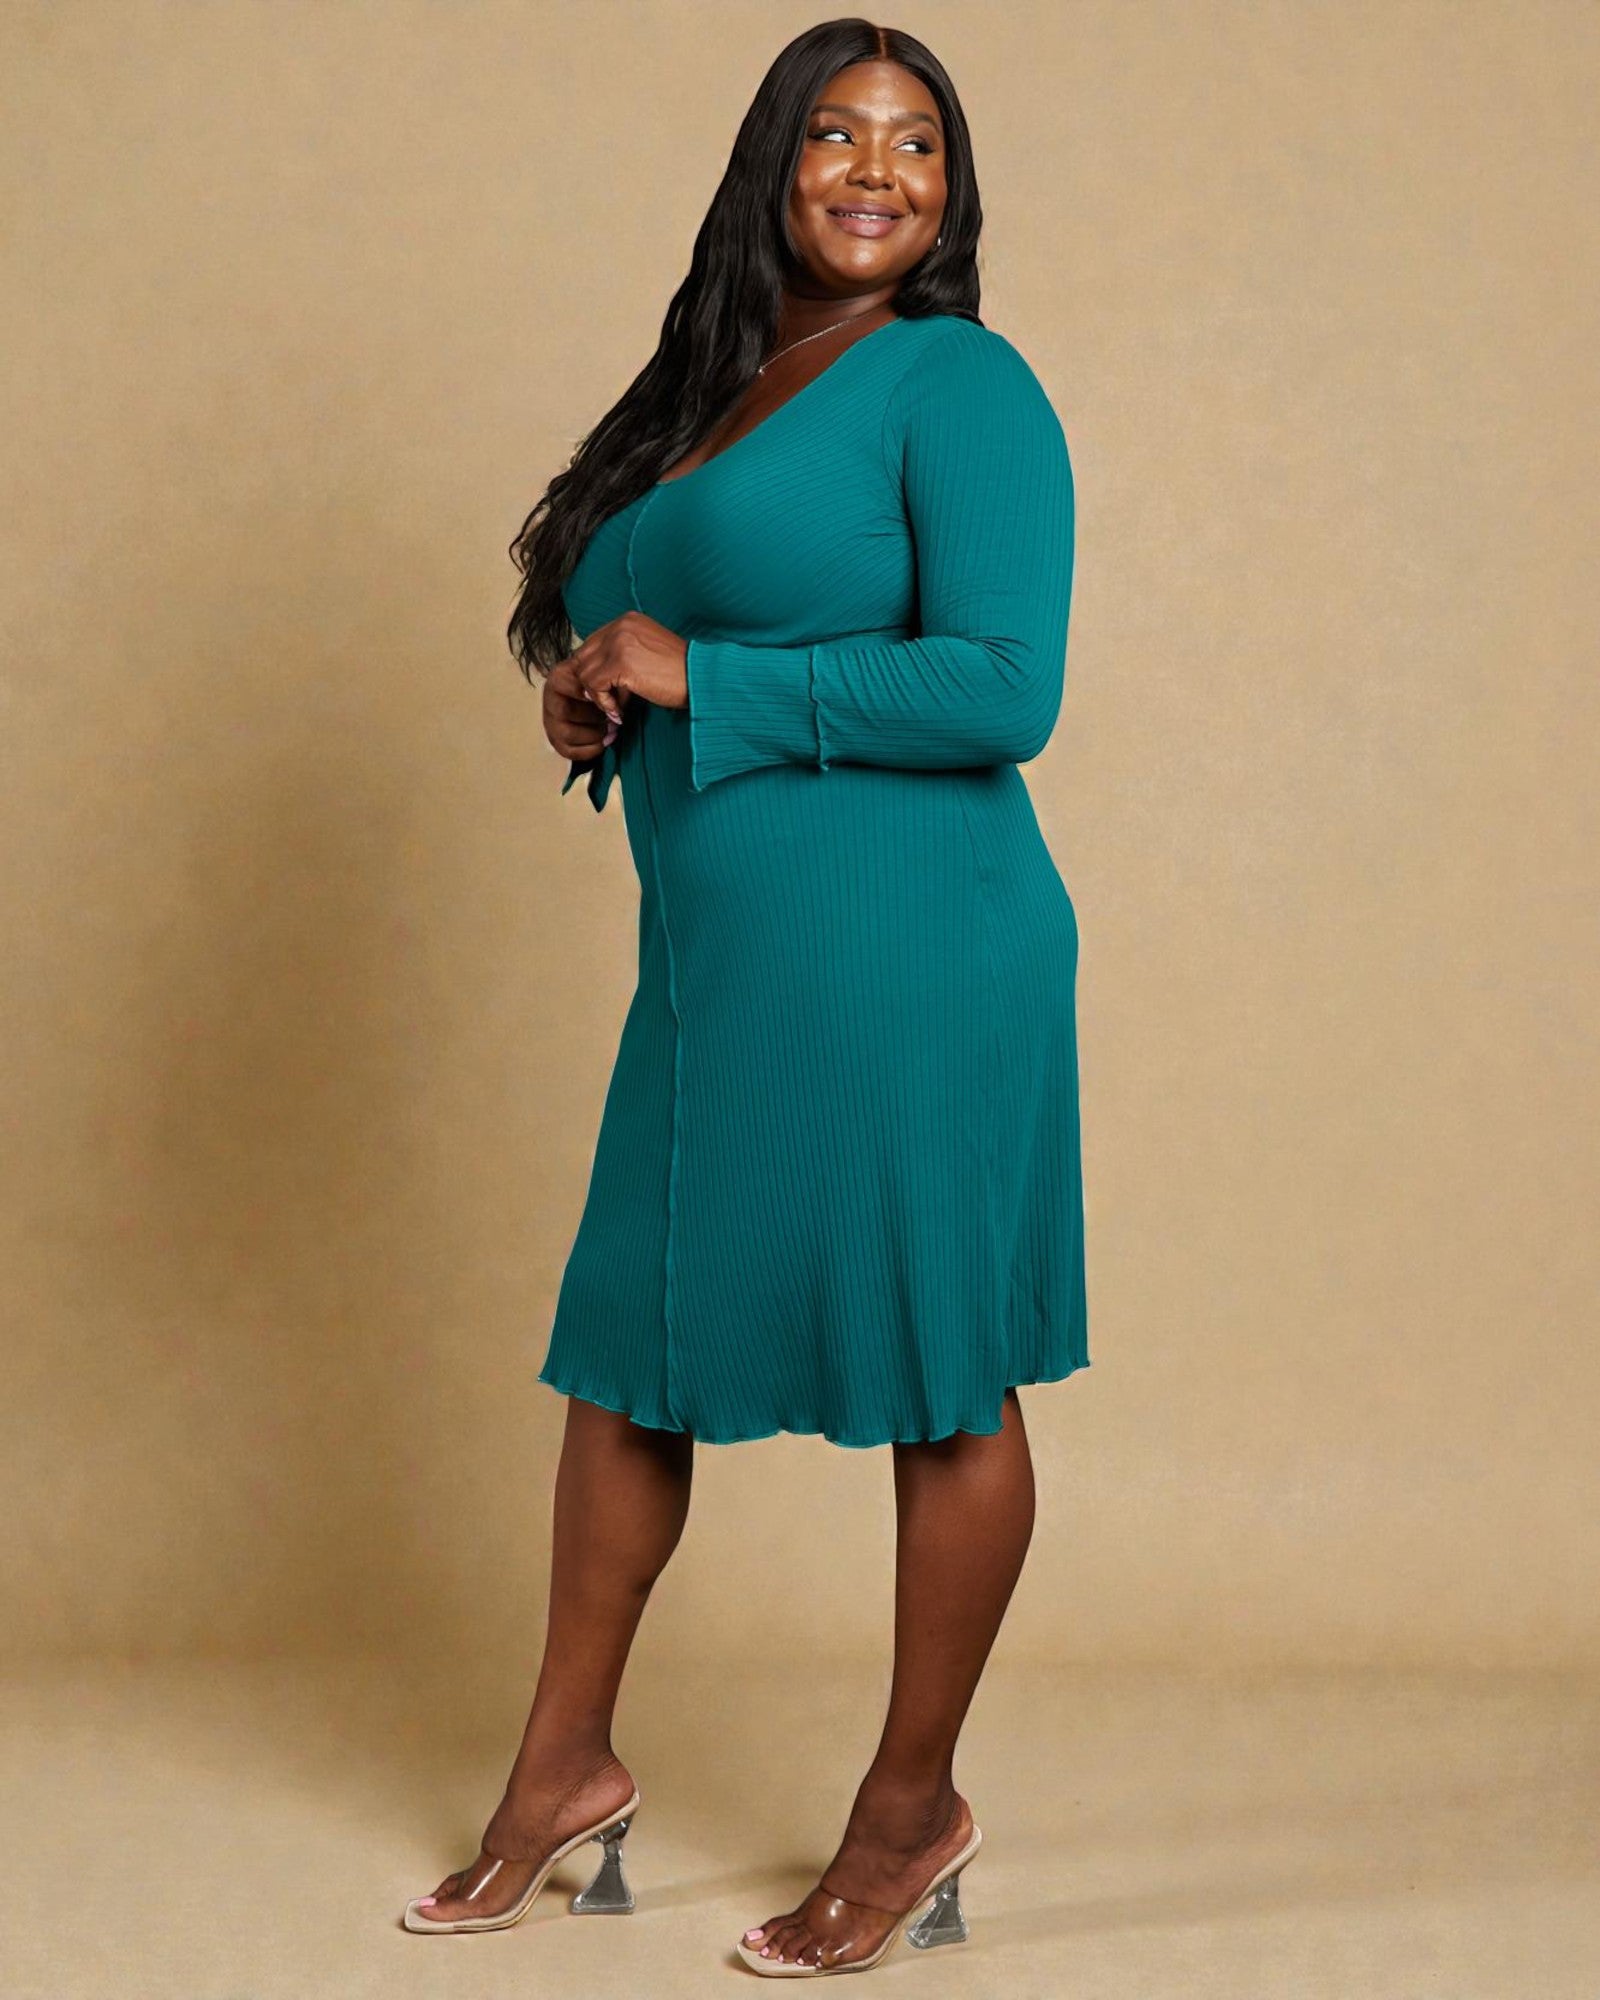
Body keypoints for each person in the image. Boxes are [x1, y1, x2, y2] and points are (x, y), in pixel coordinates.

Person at [402, 17, 1087, 1978]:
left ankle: (907, 1808)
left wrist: (713, 679)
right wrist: (593, 688)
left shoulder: (957, 384)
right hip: (715, 963)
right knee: (628, 1346)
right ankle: (557, 1766)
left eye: (917, 147)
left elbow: (999, 687)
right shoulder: (717, 391)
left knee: (937, 1373)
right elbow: (653, 614)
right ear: (769, 165)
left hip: (910, 950)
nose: (876, 170)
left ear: (950, 198)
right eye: (835, 134)